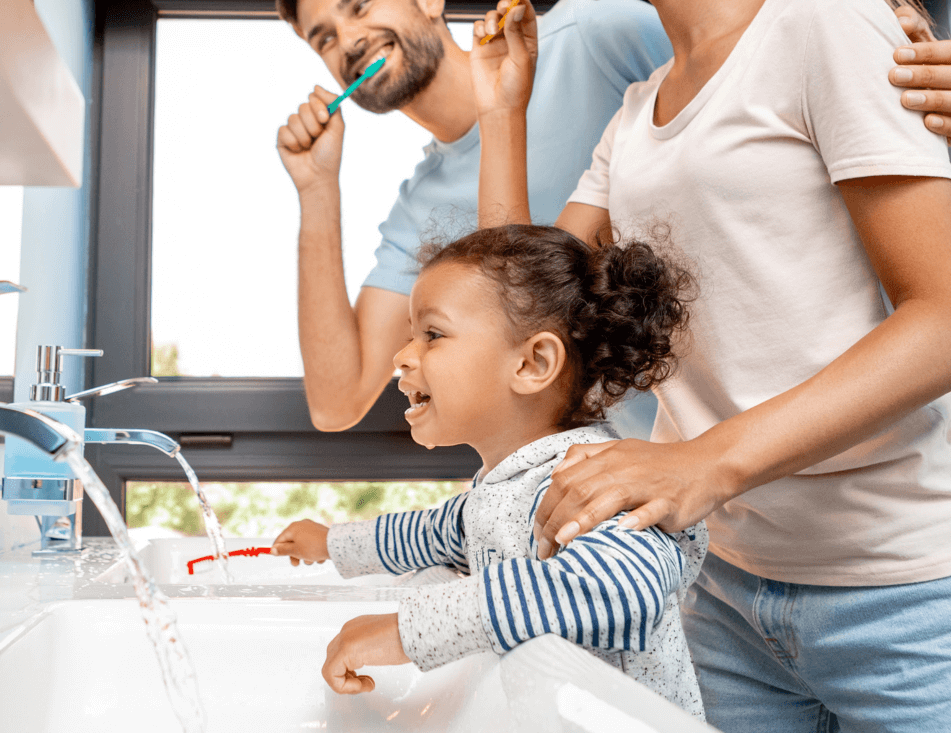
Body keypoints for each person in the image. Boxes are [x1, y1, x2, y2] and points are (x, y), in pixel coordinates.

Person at [470, 0, 951, 732]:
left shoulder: (820, 21)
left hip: (909, 590)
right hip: (728, 594)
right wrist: (504, 110)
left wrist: (704, 461)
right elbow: (522, 316)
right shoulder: (635, 116)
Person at [275, 0, 951, 436]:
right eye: (324, 39)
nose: (348, 39)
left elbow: (770, 66)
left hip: (821, 436)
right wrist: (316, 191)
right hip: (661, 491)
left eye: (360, 4)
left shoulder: (595, 32)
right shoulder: (419, 211)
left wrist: (891, 62)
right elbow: (338, 402)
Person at [270, 223, 709, 716]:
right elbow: (426, 533)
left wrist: (406, 631)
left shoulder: (594, 485)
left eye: (432, 335)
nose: (402, 356)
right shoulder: (506, 487)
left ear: (532, 364)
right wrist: (331, 543)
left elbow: (616, 588)